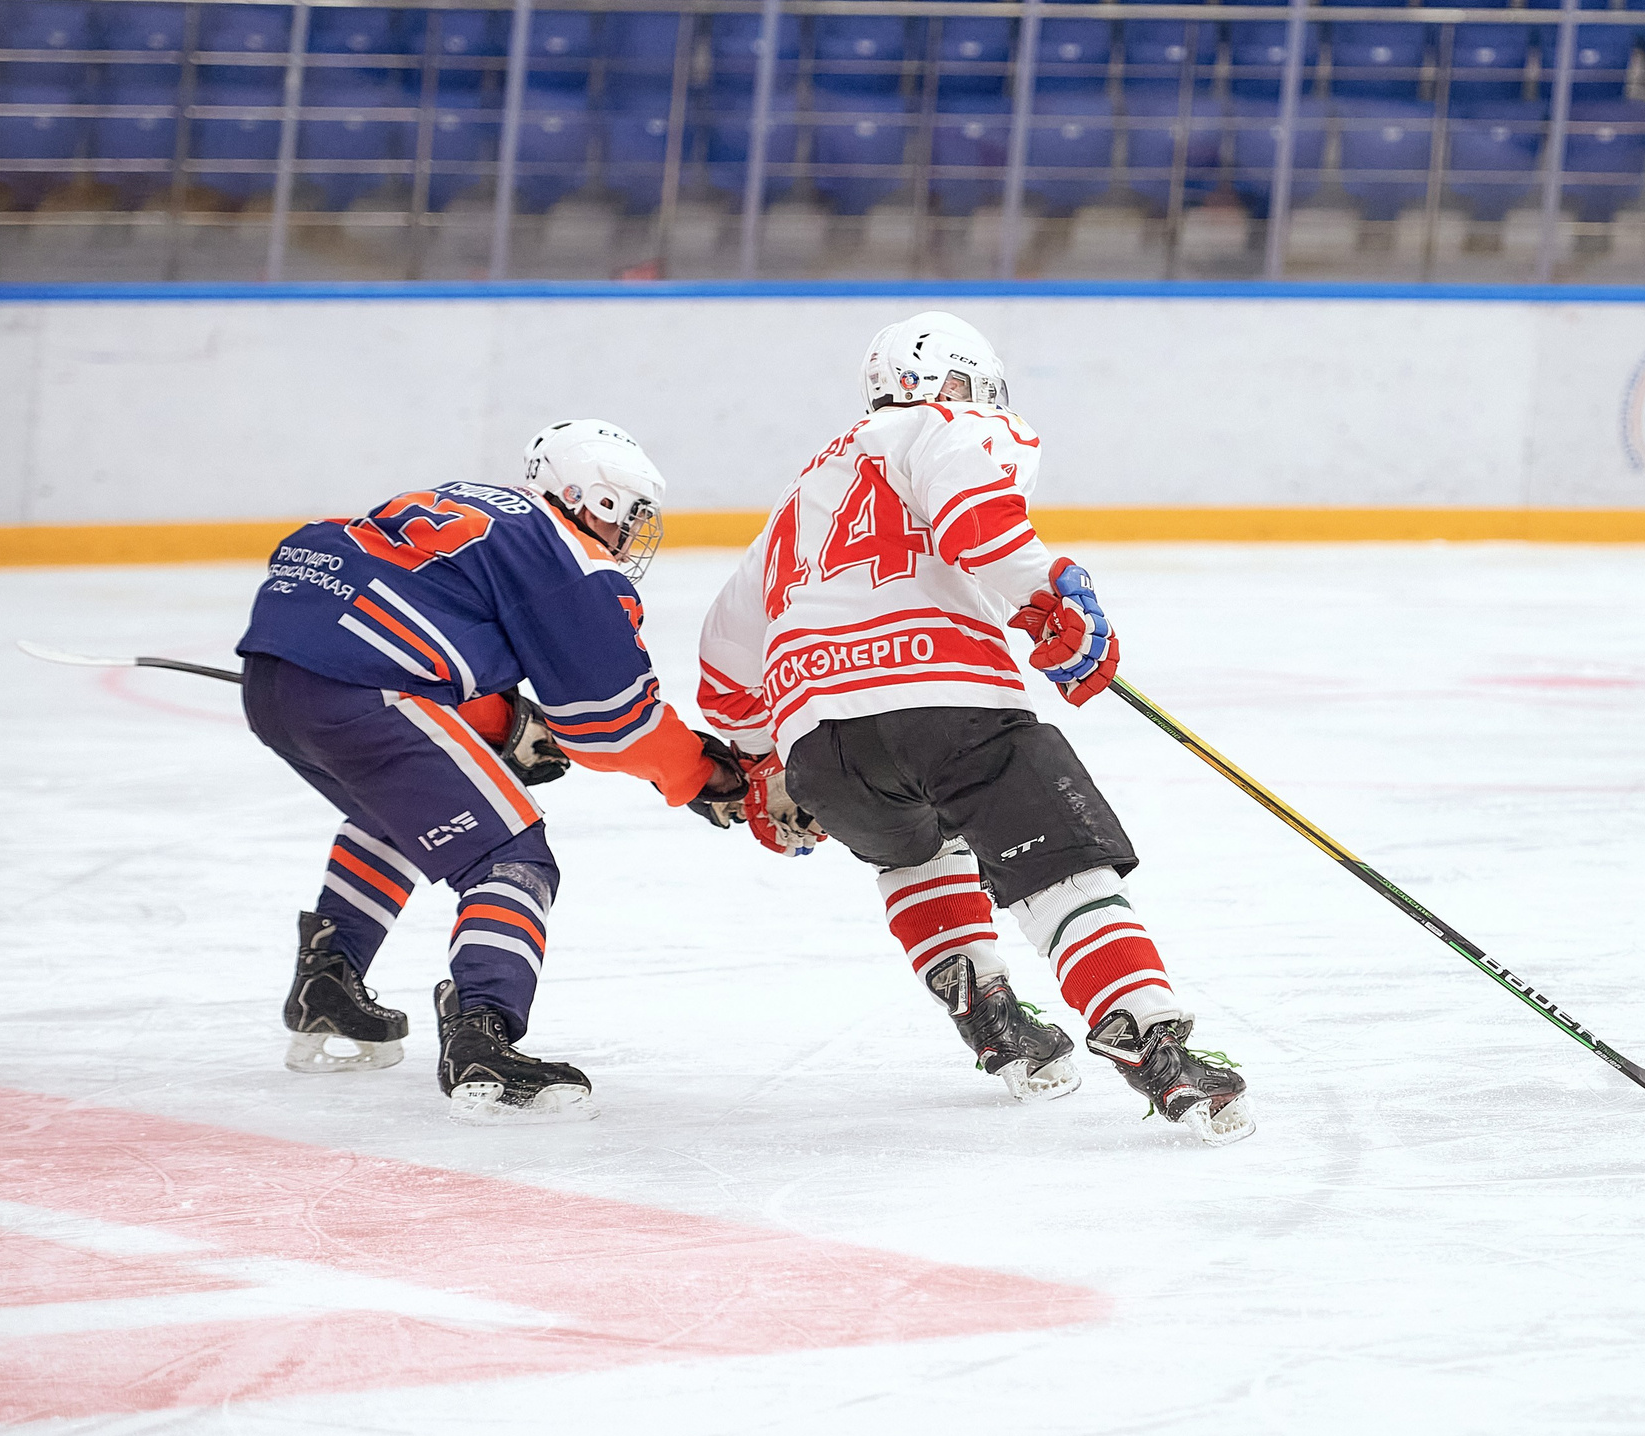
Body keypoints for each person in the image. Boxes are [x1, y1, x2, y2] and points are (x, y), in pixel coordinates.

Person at [697, 313, 1252, 1145]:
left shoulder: (793, 499)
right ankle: (1155, 1045)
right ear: (958, 382)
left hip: (820, 742)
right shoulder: (947, 421)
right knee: (1060, 868)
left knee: (914, 850)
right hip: (945, 700)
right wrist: (1048, 595)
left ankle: (992, 1019)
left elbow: (723, 654)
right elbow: (974, 518)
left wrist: (762, 762)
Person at [235, 419, 745, 1125]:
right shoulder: (565, 555)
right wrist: (701, 775)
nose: (631, 535)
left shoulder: (474, 506)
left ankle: (328, 982)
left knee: (397, 809)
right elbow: (612, 721)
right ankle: (483, 1037)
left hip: (273, 678)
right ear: (589, 498)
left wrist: (507, 725)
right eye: (628, 515)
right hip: (364, 691)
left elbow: (419, 625)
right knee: (511, 852)